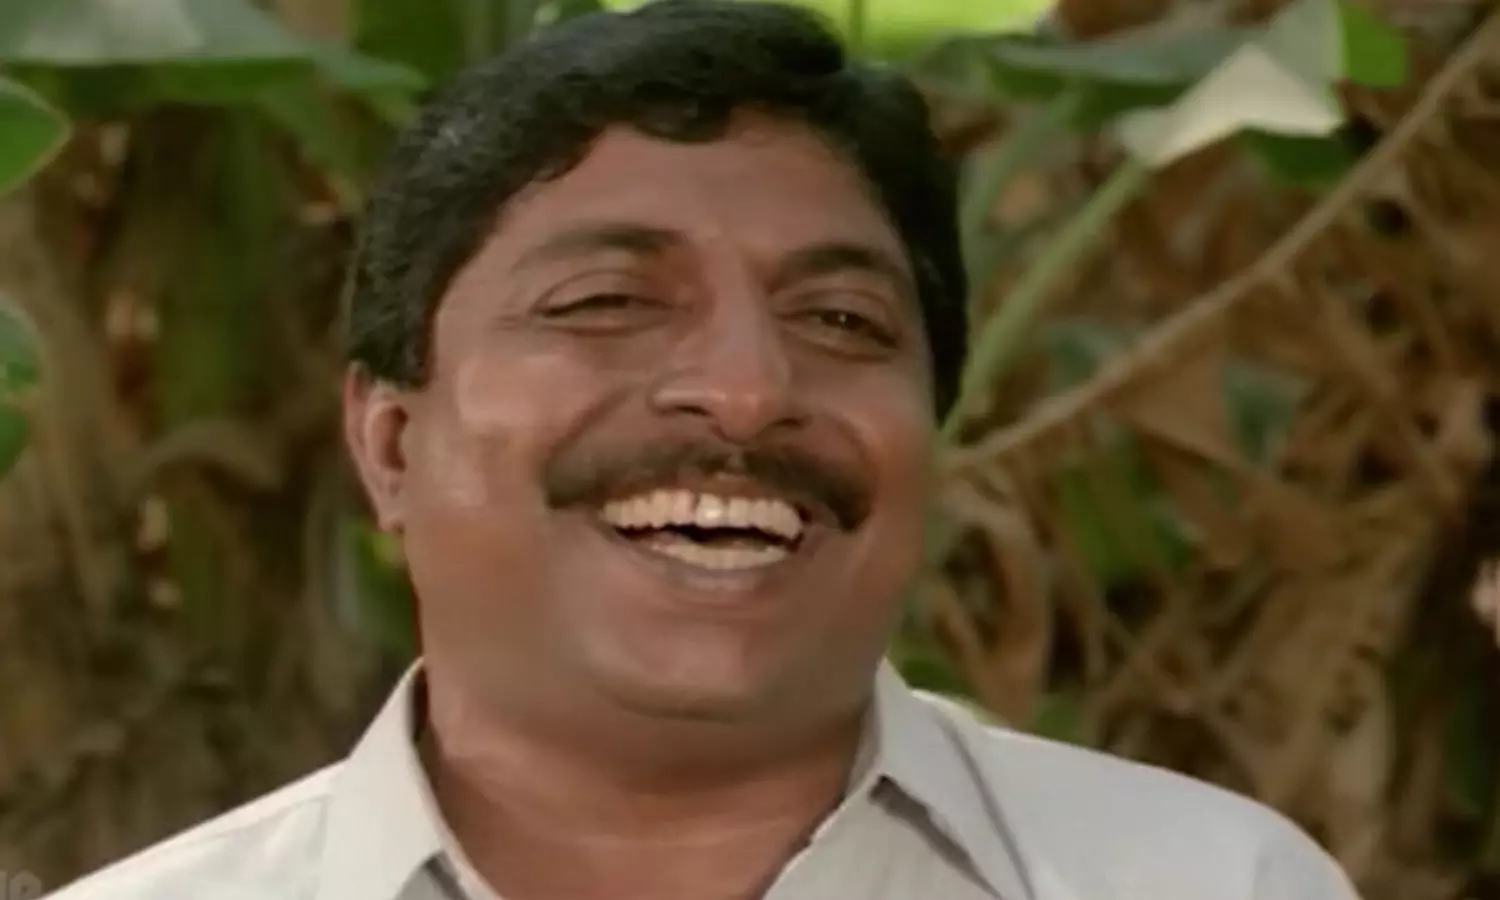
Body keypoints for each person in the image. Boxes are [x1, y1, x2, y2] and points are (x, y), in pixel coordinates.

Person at [44, 2, 1361, 898]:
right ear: (391, 442)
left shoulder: (1210, 882)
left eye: (840, 320)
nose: (744, 390)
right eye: (606, 302)